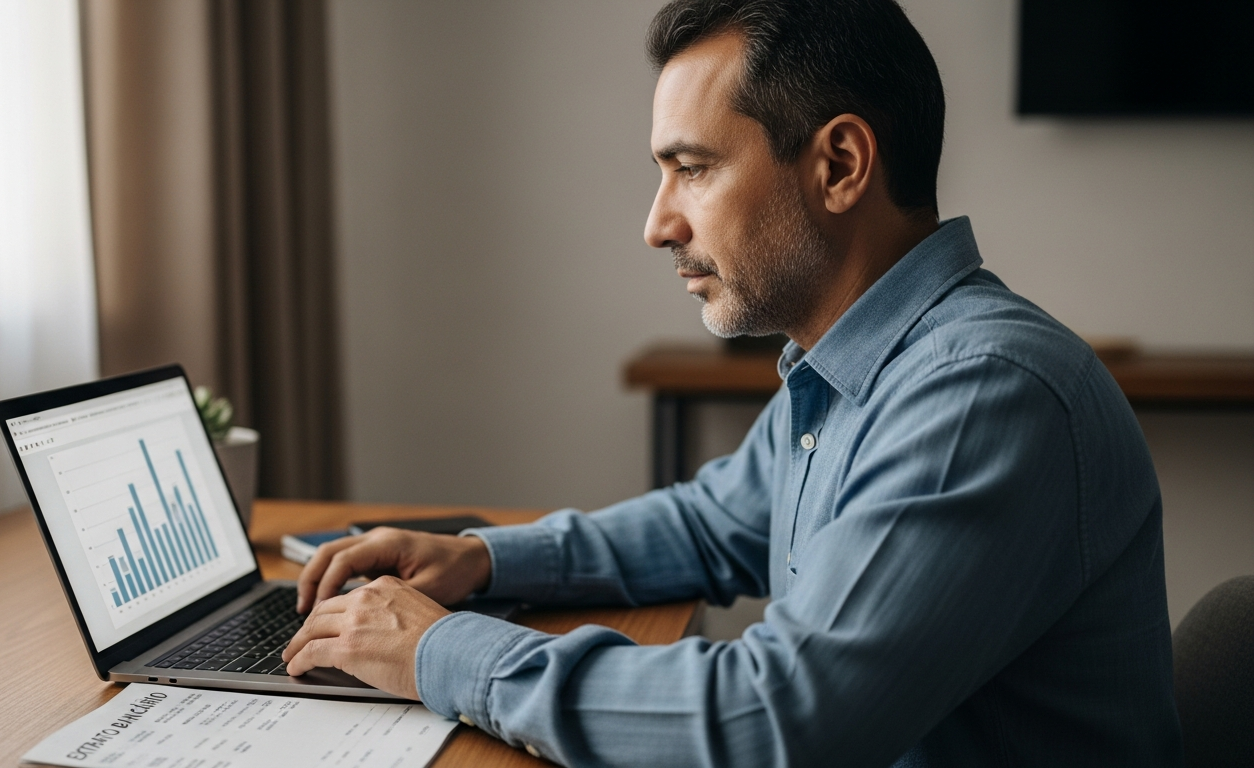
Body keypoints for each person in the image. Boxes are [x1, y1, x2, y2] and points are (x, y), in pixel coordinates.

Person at [281, 0, 1182, 765]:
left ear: (840, 165)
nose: (657, 224)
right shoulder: (855, 363)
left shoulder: (981, 393)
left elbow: (775, 719)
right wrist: (483, 559)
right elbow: (714, 524)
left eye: (692, 169)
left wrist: (440, 650)